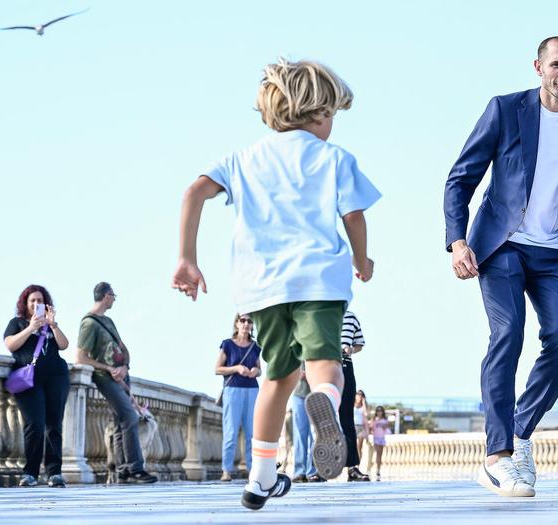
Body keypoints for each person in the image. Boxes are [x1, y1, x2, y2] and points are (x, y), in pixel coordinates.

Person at [171, 57, 381, 511]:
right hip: (319, 281)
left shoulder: (242, 159)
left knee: (277, 380)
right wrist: (362, 260)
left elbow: (193, 193)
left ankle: (261, 479)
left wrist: (187, 258)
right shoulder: (333, 158)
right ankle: (323, 405)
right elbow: (354, 216)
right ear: (321, 113)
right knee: (325, 366)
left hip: (260, 289)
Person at [443, 36, 558, 498]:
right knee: (508, 334)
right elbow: (461, 178)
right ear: (538, 67)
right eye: (556, 65)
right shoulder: (505, 110)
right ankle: (498, 456)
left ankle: (520, 433)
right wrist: (458, 241)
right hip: (501, 246)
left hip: (557, 249)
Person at [75, 282, 158, 484]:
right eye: (113, 295)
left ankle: (123, 470)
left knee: (121, 422)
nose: (114, 299)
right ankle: (136, 468)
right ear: (106, 296)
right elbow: (81, 358)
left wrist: (125, 366)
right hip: (106, 379)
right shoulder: (89, 324)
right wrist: (109, 369)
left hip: (121, 377)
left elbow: (122, 347)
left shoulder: (108, 321)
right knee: (129, 416)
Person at [3, 285, 70, 488]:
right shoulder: (17, 323)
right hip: (28, 379)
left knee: (54, 424)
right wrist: (31, 328)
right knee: (35, 424)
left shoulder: (50, 325)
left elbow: (64, 345)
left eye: (39, 300)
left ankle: (54, 472)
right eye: (32, 300)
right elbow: (10, 344)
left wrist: (54, 325)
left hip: (56, 377)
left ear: (45, 303)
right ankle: (30, 473)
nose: (36, 304)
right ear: (25, 303)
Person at [215, 314, 262, 481]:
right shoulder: (227, 344)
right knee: (231, 432)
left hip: (252, 390)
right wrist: (236, 368)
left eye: (249, 321)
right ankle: (226, 470)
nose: (246, 324)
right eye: (242, 320)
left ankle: (252, 469)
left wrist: (256, 371)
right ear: (236, 323)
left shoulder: (255, 346)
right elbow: (217, 369)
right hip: (233, 390)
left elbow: (259, 368)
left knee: (252, 433)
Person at [340, 311, 370, 482]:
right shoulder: (321, 312)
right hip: (326, 366)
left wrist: (351, 349)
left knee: (347, 418)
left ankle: (352, 467)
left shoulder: (351, 317)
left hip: (346, 366)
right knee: (326, 418)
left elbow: (359, 343)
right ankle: (321, 467)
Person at [289, 365, 322, 483]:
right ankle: (299, 471)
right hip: (299, 394)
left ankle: (312, 471)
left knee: (316, 435)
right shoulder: (295, 348)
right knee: (299, 435)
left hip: (317, 395)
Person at [369, 405, 391, 482]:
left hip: (382, 438)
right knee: (377, 453)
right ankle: (375, 469)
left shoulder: (385, 420)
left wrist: (385, 425)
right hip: (376, 438)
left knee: (380, 454)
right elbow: (371, 427)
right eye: (378, 411)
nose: (379, 412)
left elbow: (387, 428)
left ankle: (378, 469)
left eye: (380, 411)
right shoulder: (374, 419)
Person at [354, 390, 369, 462]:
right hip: (353, 427)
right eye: (358, 394)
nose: (359, 396)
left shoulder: (363, 407)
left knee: (359, 447)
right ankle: (351, 465)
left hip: (361, 427)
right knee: (353, 447)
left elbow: (366, 414)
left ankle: (358, 464)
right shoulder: (352, 404)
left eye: (361, 395)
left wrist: (363, 403)